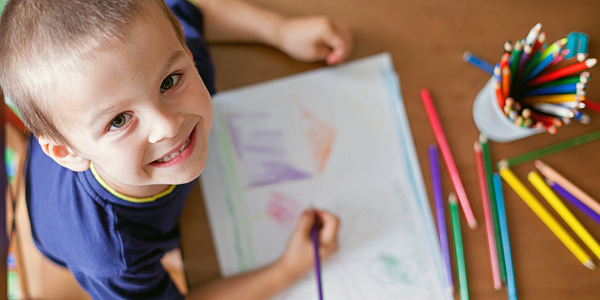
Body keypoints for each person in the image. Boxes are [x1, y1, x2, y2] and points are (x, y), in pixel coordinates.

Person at [0, 0, 352, 298]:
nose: (168, 125)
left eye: (169, 82)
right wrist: (287, 270)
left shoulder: (172, 55)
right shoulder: (111, 254)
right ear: (68, 152)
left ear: (183, 48)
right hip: (65, 230)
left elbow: (192, 8)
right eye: (120, 120)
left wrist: (280, 31)